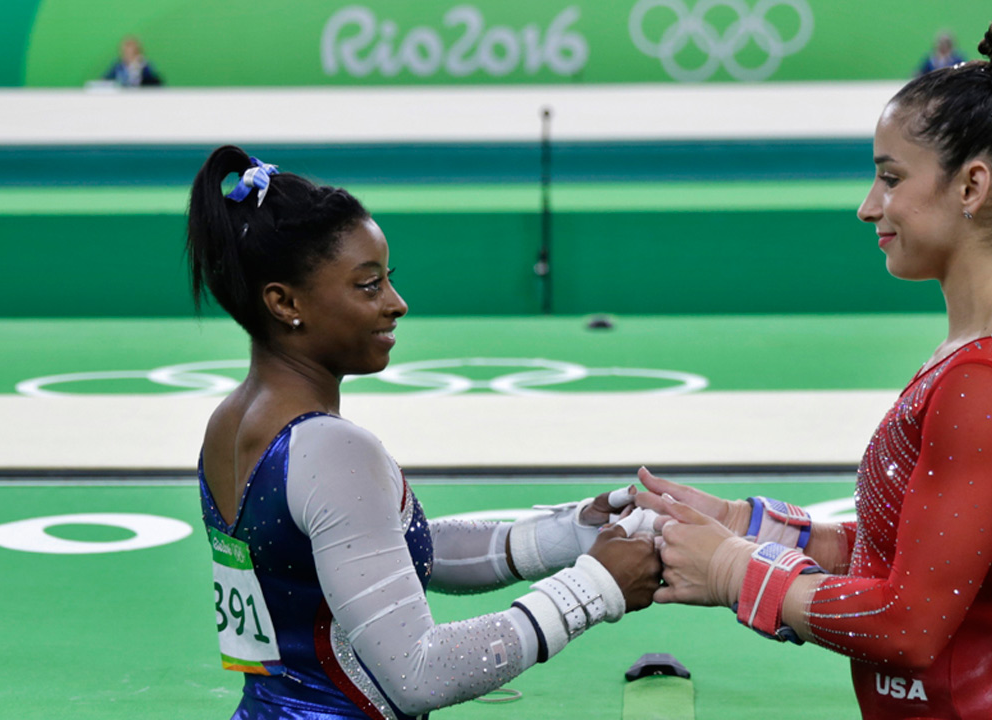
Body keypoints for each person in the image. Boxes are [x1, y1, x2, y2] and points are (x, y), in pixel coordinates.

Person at [635, 2, 992, 718]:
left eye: (890, 178)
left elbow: (910, 626)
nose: (867, 206)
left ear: (972, 187)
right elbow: (924, 557)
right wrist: (744, 524)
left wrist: (734, 571)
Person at [186, 145, 661, 719]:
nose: (397, 304)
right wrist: (593, 589)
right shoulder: (330, 449)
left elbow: (373, 554)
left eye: (389, 279)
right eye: (368, 285)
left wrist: (568, 535)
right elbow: (419, 673)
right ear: (285, 302)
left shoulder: (228, 424)